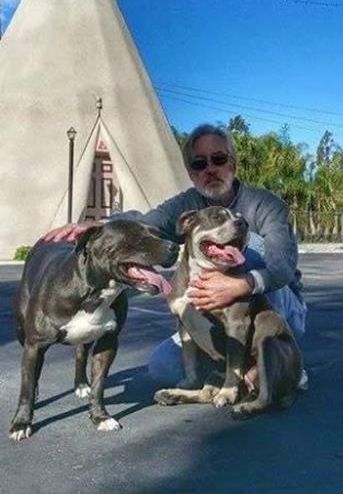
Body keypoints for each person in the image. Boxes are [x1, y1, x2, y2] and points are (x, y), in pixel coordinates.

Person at [45, 123, 307, 387]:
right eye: (198, 163)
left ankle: (281, 363)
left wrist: (241, 284)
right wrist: (100, 227)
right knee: (164, 368)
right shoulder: (186, 204)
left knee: (249, 253)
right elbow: (147, 224)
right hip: (216, 318)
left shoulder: (266, 204)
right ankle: (234, 371)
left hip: (279, 314)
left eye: (218, 159)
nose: (209, 169)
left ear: (233, 164)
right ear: (191, 173)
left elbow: (282, 265)